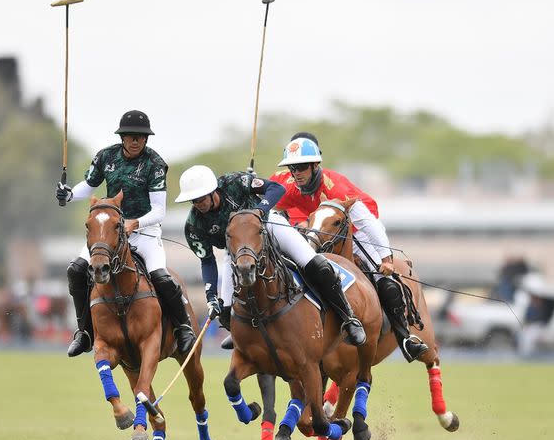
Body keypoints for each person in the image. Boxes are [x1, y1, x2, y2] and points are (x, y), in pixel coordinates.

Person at [270, 133, 428, 362]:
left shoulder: (336, 188)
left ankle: (405, 338)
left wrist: (386, 258)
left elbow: (368, 223)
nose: (296, 173)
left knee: (383, 278)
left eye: (302, 167)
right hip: (325, 229)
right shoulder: (291, 185)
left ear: (315, 166)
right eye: (292, 168)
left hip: (358, 229)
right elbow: (265, 203)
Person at [175, 165, 367, 348]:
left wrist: (259, 211)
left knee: (318, 265)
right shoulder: (194, 225)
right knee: (224, 310)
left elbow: (276, 188)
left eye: (201, 199)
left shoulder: (235, 182)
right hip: (237, 250)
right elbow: (207, 260)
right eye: (193, 201)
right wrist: (210, 297)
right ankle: (243, 337)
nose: (198, 205)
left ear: (212, 191)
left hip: (269, 226)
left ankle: (348, 318)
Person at [55, 110, 196, 357]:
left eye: (140, 137)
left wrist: (135, 223)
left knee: (161, 277)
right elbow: (88, 187)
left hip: (145, 231)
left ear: (146, 140)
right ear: (122, 137)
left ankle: (183, 328)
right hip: (109, 229)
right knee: (76, 270)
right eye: (130, 136)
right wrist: (69, 194)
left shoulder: (154, 164)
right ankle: (84, 332)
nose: (135, 141)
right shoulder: (106, 157)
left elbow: (159, 210)